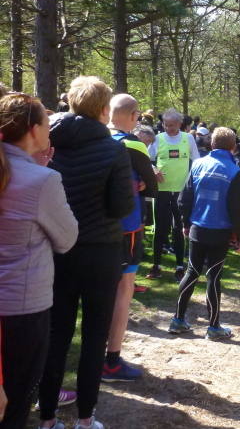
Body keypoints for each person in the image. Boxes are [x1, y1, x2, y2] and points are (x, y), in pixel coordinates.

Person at [39, 76, 135, 429]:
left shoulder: (48, 142)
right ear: (104, 109)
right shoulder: (114, 149)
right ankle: (85, 418)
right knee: (95, 337)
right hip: (100, 250)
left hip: (57, 249)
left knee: (56, 334)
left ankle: (47, 419)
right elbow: (122, 206)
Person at [0, 92, 78, 429]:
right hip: (23, 310)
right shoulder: (43, 181)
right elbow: (67, 239)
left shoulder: (33, 175)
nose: (51, 130)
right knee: (16, 405)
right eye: (47, 123)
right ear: (34, 130)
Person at [169, 128, 240, 340]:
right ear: (234, 146)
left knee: (192, 272)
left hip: (197, 227)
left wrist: (186, 223)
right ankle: (213, 327)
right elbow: (237, 210)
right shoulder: (234, 171)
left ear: (212, 144)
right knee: (213, 277)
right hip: (219, 233)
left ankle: (177, 319)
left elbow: (183, 199)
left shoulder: (197, 164)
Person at [103, 94, 158, 383]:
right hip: (127, 226)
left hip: (94, 225)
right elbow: (153, 188)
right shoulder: (134, 144)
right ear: (135, 116)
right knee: (124, 290)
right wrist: (144, 181)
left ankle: (92, 356)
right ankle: (111, 361)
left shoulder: (95, 138)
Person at [147, 108, 200, 281]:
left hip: (181, 192)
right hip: (161, 190)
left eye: (171, 125)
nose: (168, 128)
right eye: (165, 125)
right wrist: (153, 169)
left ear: (179, 124)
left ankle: (179, 267)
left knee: (179, 229)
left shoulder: (188, 138)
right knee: (160, 229)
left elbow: (197, 161)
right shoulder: (158, 138)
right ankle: (156, 266)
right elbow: (146, 159)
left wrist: (192, 183)